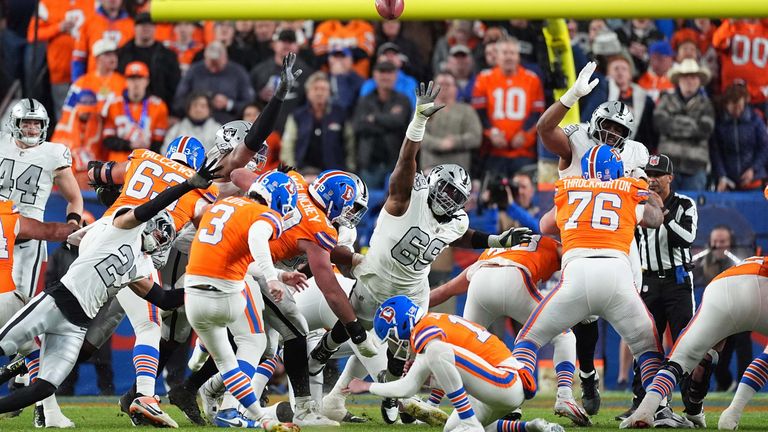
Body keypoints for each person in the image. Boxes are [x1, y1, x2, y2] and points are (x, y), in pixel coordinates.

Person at [309, 81, 533, 424]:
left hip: (414, 287)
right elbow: (405, 160)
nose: (449, 199)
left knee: (406, 344)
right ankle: (330, 355)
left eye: (456, 196)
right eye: (444, 189)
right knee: (357, 329)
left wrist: (497, 241)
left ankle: (393, 397)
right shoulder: (406, 198)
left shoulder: (456, 219)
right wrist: (419, 122)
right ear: (432, 182)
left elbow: (461, 236)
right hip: (377, 278)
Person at [0, 158, 218, 422]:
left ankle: (18, 389)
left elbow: (164, 299)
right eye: (160, 232)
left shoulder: (140, 265)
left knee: (46, 386)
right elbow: (150, 207)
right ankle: (145, 396)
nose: (161, 239)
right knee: (3, 344)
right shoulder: (123, 226)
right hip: (57, 302)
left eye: (165, 236)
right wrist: (186, 185)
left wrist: (202, 288)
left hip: (77, 325)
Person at [511, 145, 664, 426]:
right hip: (618, 276)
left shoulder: (568, 188)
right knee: (648, 350)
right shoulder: (629, 189)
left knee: (527, 340)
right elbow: (655, 219)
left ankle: (511, 395)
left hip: (577, 276)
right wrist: (647, 193)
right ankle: (652, 407)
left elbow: (545, 226)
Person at [536, 61, 651, 416]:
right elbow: (544, 128)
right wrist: (571, 96)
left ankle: (641, 398)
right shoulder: (577, 136)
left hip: (618, 239)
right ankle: (586, 374)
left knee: (634, 318)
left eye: (620, 131)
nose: (613, 135)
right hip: (577, 232)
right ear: (595, 124)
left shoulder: (635, 153)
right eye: (609, 127)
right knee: (582, 319)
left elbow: (644, 201)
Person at [183, 170, 301, 430]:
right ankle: (206, 353)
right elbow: (258, 236)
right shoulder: (263, 214)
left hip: (193, 295)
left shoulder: (223, 204)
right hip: (225, 296)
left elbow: (239, 258)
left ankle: (258, 419)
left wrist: (280, 274)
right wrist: (272, 278)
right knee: (254, 340)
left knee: (227, 362)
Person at [429, 235, 589, 426]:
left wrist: (415, 308)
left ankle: (433, 402)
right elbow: (576, 263)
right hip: (515, 277)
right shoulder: (553, 245)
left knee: (458, 349)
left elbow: (445, 290)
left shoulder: (490, 253)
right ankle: (564, 395)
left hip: (480, 280)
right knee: (564, 336)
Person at [344, 295, 565, 432]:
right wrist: (427, 374)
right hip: (498, 387)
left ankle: (470, 421)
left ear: (401, 325)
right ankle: (532, 427)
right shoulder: (434, 322)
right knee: (452, 428)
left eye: (392, 337)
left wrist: (366, 386)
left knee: (437, 352)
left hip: (506, 380)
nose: (394, 345)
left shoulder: (425, 332)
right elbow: (456, 373)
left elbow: (408, 387)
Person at [620, 256, 768, 429]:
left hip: (722, 287)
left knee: (678, 361)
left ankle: (645, 410)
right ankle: (732, 412)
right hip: (761, 286)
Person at [622, 154, 699, 427]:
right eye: (649, 173)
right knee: (645, 341)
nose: (652, 179)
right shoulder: (639, 204)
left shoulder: (684, 204)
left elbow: (686, 239)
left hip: (677, 282)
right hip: (649, 281)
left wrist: (661, 211)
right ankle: (639, 402)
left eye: (658, 174)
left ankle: (691, 404)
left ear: (670, 177)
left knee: (685, 343)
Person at [472, 37, 545, 177]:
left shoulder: (532, 79)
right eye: (505, 53)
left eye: (512, 53)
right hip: (493, 151)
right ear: (497, 56)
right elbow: (479, 112)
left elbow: (537, 113)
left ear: (518, 56)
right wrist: (492, 133)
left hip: (523, 151)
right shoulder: (484, 78)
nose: (509, 57)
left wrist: (524, 134)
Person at [655, 59, 714, 191]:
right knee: (664, 208)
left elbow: (705, 130)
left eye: (693, 77)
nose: (689, 81)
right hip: (667, 167)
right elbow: (661, 124)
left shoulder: (706, 104)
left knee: (692, 208)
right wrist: (691, 124)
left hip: (695, 168)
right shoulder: (666, 100)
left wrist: (675, 122)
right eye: (685, 77)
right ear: (678, 80)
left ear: (699, 81)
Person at [352, 61, 412, 188]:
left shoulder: (403, 100)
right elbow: (359, 127)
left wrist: (373, 118)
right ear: (374, 75)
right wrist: (388, 123)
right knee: (366, 204)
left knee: (396, 206)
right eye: (382, 72)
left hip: (396, 162)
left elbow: (400, 122)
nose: (385, 76)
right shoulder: (365, 100)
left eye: (389, 72)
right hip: (369, 163)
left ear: (396, 76)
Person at [280, 71, 354, 171]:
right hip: (303, 171)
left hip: (334, 172)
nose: (319, 93)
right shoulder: (297, 116)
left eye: (323, 89)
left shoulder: (340, 114)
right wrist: (292, 170)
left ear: (329, 92)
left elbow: (350, 144)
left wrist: (350, 169)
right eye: (315, 89)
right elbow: (288, 145)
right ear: (308, 92)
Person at [102, 61, 169, 162]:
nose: (136, 83)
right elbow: (107, 139)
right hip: (118, 162)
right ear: (126, 81)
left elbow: (159, 141)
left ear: (147, 81)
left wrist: (146, 147)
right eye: (132, 78)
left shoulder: (159, 106)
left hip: (145, 161)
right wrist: (129, 145)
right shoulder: (113, 104)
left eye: (140, 78)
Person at [173, 41, 254, 123]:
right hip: (195, 122)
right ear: (205, 57)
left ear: (225, 58)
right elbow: (179, 99)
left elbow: (250, 104)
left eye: (217, 65)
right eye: (211, 64)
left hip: (228, 123)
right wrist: (196, 105)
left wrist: (228, 104)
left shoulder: (238, 73)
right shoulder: (194, 71)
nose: (213, 69)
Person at [420, 71, 482, 173]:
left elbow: (476, 137)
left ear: (456, 89)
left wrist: (455, 142)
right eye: (440, 84)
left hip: (458, 170)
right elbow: (417, 135)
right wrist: (439, 144)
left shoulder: (467, 111)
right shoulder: (424, 110)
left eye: (448, 84)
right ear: (433, 87)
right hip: (429, 169)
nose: (444, 88)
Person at [117, 12, 181, 109]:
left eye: (150, 25)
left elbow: (175, 86)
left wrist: (173, 112)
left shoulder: (168, 55)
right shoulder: (121, 54)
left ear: (155, 28)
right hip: (126, 109)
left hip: (160, 109)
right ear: (134, 28)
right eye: (142, 24)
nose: (146, 28)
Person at [711, 84, 768, 192]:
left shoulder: (755, 120)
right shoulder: (719, 123)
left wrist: (753, 170)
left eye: (740, 107)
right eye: (733, 107)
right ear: (726, 104)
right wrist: (721, 175)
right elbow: (715, 152)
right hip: (728, 183)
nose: (737, 111)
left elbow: (764, 148)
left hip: (754, 180)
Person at [71, 0, 134, 81]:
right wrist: (78, 85)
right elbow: (79, 58)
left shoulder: (132, 25)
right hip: (94, 84)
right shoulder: (88, 23)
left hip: (123, 85)